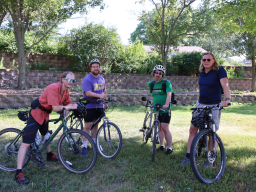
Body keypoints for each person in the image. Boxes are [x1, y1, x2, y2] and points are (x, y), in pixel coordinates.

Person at [15, 72, 78, 184]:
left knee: (45, 135)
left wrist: (68, 109)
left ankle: (49, 155)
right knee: (26, 143)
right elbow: (56, 108)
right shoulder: (53, 88)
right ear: (63, 79)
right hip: (37, 112)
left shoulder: (66, 91)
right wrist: (68, 107)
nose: (71, 82)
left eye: (73, 81)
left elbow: (69, 104)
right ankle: (18, 172)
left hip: (45, 114)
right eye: (69, 80)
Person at [179, 52, 231, 167]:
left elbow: (225, 85)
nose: (206, 62)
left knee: (211, 133)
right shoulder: (202, 72)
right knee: (193, 129)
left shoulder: (219, 70)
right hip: (201, 104)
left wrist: (227, 99)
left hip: (215, 104)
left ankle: (210, 158)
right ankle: (189, 156)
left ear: (213, 60)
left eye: (208, 59)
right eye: (204, 60)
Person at [145, 65, 173, 155]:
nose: (158, 74)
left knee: (165, 127)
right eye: (156, 72)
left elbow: (169, 94)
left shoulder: (166, 83)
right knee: (159, 128)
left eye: (160, 73)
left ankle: (170, 148)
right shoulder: (151, 84)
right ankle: (162, 145)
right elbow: (153, 94)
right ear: (154, 73)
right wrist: (152, 101)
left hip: (165, 109)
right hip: (156, 108)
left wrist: (166, 104)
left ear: (162, 74)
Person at [81, 59, 108, 156]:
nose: (96, 68)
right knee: (88, 126)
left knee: (96, 125)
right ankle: (84, 146)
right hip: (89, 105)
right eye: (94, 66)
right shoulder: (87, 79)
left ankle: (94, 144)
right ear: (91, 68)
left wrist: (106, 101)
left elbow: (104, 91)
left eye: (97, 66)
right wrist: (100, 96)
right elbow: (87, 93)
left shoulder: (101, 78)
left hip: (99, 106)